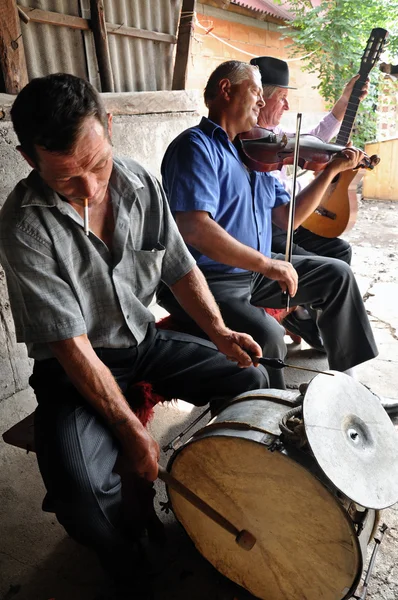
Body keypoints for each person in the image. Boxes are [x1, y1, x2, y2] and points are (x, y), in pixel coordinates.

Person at [0, 73, 269, 599]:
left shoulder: (141, 183)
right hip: (73, 372)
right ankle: (128, 561)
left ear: (109, 124)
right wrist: (132, 431)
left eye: (97, 165)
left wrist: (218, 331)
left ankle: (223, 491)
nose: (90, 189)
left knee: (252, 379)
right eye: (66, 181)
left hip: (143, 343)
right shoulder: (23, 227)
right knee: (80, 493)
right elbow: (70, 346)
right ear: (30, 160)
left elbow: (180, 266)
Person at [157, 60, 378, 390]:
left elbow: (287, 219)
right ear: (225, 90)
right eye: (256, 93)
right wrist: (268, 263)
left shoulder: (253, 153)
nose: (261, 103)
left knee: (338, 275)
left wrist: (330, 171)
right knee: (269, 336)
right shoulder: (195, 147)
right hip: (209, 280)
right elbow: (195, 228)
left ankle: (351, 389)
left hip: (255, 274)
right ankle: (269, 420)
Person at [250, 56, 369, 349]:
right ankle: (301, 311)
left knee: (339, 248)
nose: (288, 107)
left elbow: (313, 140)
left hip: (288, 218)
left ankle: (310, 315)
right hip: (270, 226)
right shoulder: (249, 141)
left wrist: (344, 102)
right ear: (261, 101)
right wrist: (327, 173)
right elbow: (282, 209)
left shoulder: (275, 137)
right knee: (329, 266)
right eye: (282, 99)